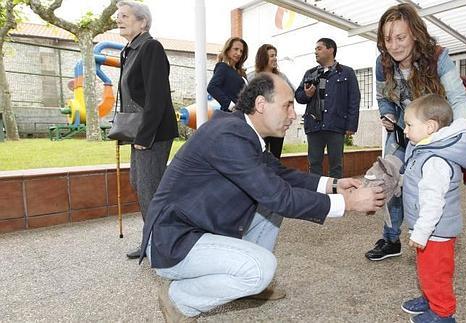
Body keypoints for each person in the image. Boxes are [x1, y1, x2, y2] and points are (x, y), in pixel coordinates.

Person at [138, 73, 386, 321]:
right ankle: (180, 298)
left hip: (196, 227)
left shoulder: (242, 131)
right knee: (261, 269)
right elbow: (280, 197)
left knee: (270, 206)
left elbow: (280, 174)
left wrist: (333, 184)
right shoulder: (229, 135)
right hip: (173, 241)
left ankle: (245, 281)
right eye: (287, 105)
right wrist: (349, 202)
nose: (293, 115)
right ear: (260, 105)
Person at [366, 3, 466, 262]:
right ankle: (391, 240)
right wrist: (387, 113)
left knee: (429, 187)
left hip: (434, 134)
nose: (394, 45)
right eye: (388, 39)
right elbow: (383, 98)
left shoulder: (438, 57)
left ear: (415, 33)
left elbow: (459, 99)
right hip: (403, 133)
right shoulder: (383, 65)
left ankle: (433, 237)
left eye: (400, 37)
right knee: (388, 179)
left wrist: (459, 134)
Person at [401, 94, 466, 323]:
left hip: (435, 232)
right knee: (427, 271)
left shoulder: (435, 160)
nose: (405, 130)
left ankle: (443, 313)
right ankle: (430, 299)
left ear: (429, 127)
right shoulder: (425, 149)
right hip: (430, 230)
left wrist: (421, 231)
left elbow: (433, 203)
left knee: (436, 274)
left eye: (409, 125)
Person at [115, 0, 178, 259]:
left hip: (152, 133)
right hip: (139, 131)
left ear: (142, 22)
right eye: (118, 15)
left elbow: (157, 96)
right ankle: (157, 239)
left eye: (125, 15)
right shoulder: (130, 50)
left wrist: (144, 136)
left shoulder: (150, 47)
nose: (118, 19)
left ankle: (158, 245)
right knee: (140, 184)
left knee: (149, 189)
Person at [295, 38, 360, 178]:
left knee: (336, 165)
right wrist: (306, 94)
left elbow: (354, 100)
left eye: (319, 48)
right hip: (314, 125)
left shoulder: (347, 73)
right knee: (314, 164)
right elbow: (298, 97)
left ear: (331, 50)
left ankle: (335, 196)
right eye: (315, 49)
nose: (315, 52)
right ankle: (316, 196)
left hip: (336, 125)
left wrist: (351, 125)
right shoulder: (310, 73)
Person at [248, 44, 295, 159]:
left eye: (275, 55)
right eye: (271, 56)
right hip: (259, 124)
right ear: (263, 58)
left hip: (278, 123)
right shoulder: (251, 77)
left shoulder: (282, 77)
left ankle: (274, 177)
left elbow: (291, 95)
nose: (275, 58)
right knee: (257, 156)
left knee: (275, 157)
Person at [207, 37, 248, 111]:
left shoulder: (241, 72)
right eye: (236, 49)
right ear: (228, 50)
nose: (239, 53)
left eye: (241, 51)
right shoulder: (223, 67)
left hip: (244, 114)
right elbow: (212, 87)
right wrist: (231, 106)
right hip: (231, 115)